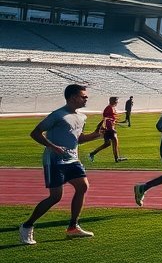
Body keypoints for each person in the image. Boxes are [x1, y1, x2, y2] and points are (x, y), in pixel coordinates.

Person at [19, 84, 102, 244]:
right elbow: (35, 133)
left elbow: (78, 139)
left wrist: (95, 135)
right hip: (54, 160)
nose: (86, 99)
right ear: (73, 97)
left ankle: (73, 227)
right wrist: (52, 146)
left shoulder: (82, 117)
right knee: (55, 197)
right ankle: (27, 226)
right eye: (83, 96)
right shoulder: (57, 115)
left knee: (83, 186)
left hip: (73, 159)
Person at [88, 96, 126, 163]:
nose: (117, 102)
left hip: (109, 128)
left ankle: (92, 153)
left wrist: (114, 122)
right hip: (109, 129)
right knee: (114, 141)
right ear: (113, 101)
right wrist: (108, 127)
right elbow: (106, 119)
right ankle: (117, 159)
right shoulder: (109, 108)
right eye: (116, 101)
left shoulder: (111, 108)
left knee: (107, 143)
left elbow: (108, 118)